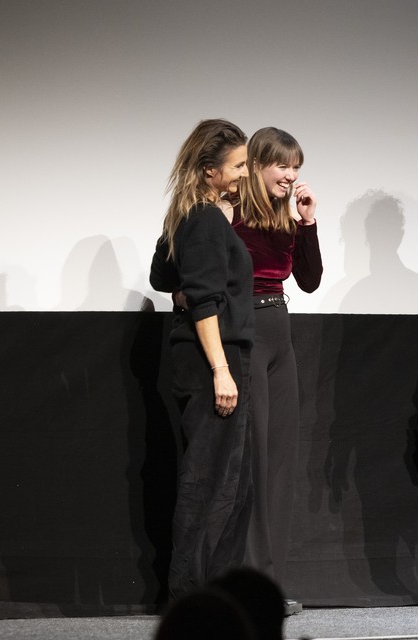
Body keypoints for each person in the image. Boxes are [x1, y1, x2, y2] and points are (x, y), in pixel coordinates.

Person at [150, 119, 254, 599]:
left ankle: (213, 593)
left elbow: (162, 276)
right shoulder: (207, 220)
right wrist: (221, 371)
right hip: (214, 358)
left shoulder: (188, 214)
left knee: (225, 480)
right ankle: (193, 598)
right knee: (211, 482)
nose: (245, 173)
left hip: (198, 358)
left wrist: (184, 292)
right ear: (210, 170)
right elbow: (206, 300)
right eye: (238, 166)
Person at [234, 127, 323, 615]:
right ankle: (244, 584)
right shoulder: (230, 215)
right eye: (282, 166)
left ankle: (268, 585)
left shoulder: (287, 220)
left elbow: (309, 281)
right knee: (253, 463)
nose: (290, 176)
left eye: (295, 167)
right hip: (244, 332)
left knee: (280, 464)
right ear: (256, 165)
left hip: (279, 333)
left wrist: (308, 223)